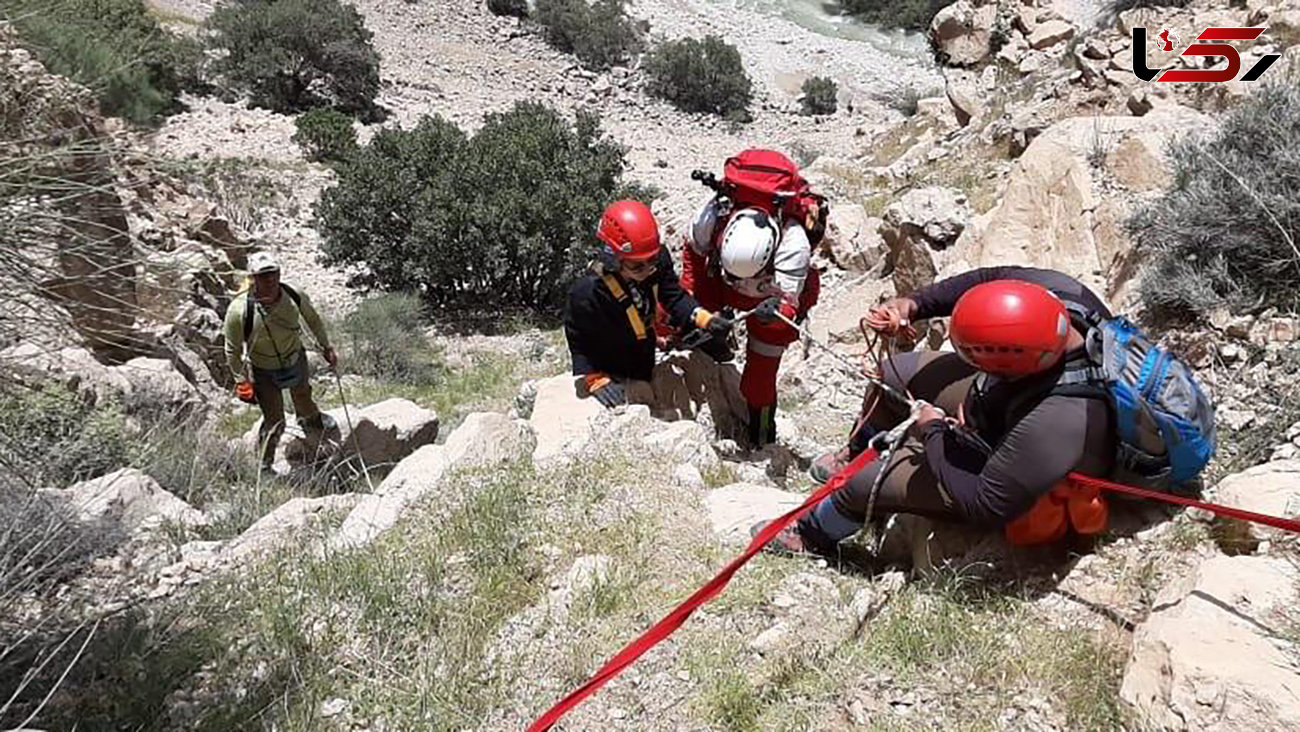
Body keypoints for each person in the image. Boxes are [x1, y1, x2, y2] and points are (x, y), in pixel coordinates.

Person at [759, 266, 1119, 555]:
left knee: (864, 486)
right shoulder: (1055, 295)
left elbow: (986, 503)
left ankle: (812, 533)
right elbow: (982, 282)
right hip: (1009, 400)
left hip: (1023, 472)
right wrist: (912, 306)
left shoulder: (1060, 418)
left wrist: (932, 433)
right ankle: (856, 452)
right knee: (895, 373)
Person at [564, 200, 733, 408]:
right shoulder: (588, 292)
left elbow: (674, 296)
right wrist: (593, 377)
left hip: (644, 354)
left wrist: (705, 319)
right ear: (614, 260)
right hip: (611, 360)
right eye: (637, 266)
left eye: (651, 260)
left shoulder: (655, 260)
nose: (647, 269)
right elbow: (579, 335)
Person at [680, 201, 819, 446]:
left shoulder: (793, 247)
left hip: (771, 302)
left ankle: (763, 437)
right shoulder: (709, 219)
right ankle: (713, 349)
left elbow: (789, 308)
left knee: (759, 383)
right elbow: (692, 263)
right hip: (719, 284)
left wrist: (774, 315)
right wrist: (697, 313)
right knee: (686, 316)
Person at [224, 251, 338, 472]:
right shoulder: (239, 310)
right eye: (263, 275)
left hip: (295, 358)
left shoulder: (293, 295)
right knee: (275, 421)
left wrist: (326, 347)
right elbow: (232, 350)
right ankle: (264, 464)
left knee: (303, 395)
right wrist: (241, 380)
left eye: (273, 273)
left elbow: (313, 320)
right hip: (264, 370)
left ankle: (310, 419)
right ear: (252, 278)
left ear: (279, 272)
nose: (270, 280)